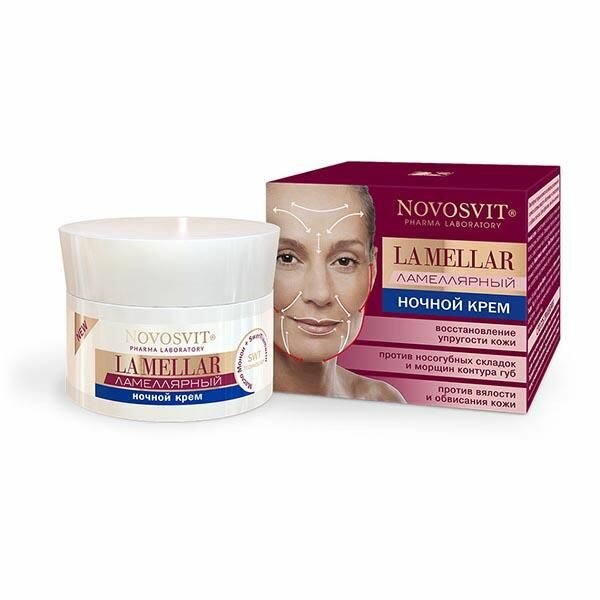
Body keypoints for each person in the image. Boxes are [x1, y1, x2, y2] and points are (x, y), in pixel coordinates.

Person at [267, 183, 405, 402]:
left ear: (373, 271)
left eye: (344, 261)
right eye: (287, 258)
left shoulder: (384, 402)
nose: (320, 294)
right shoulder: (228, 401)